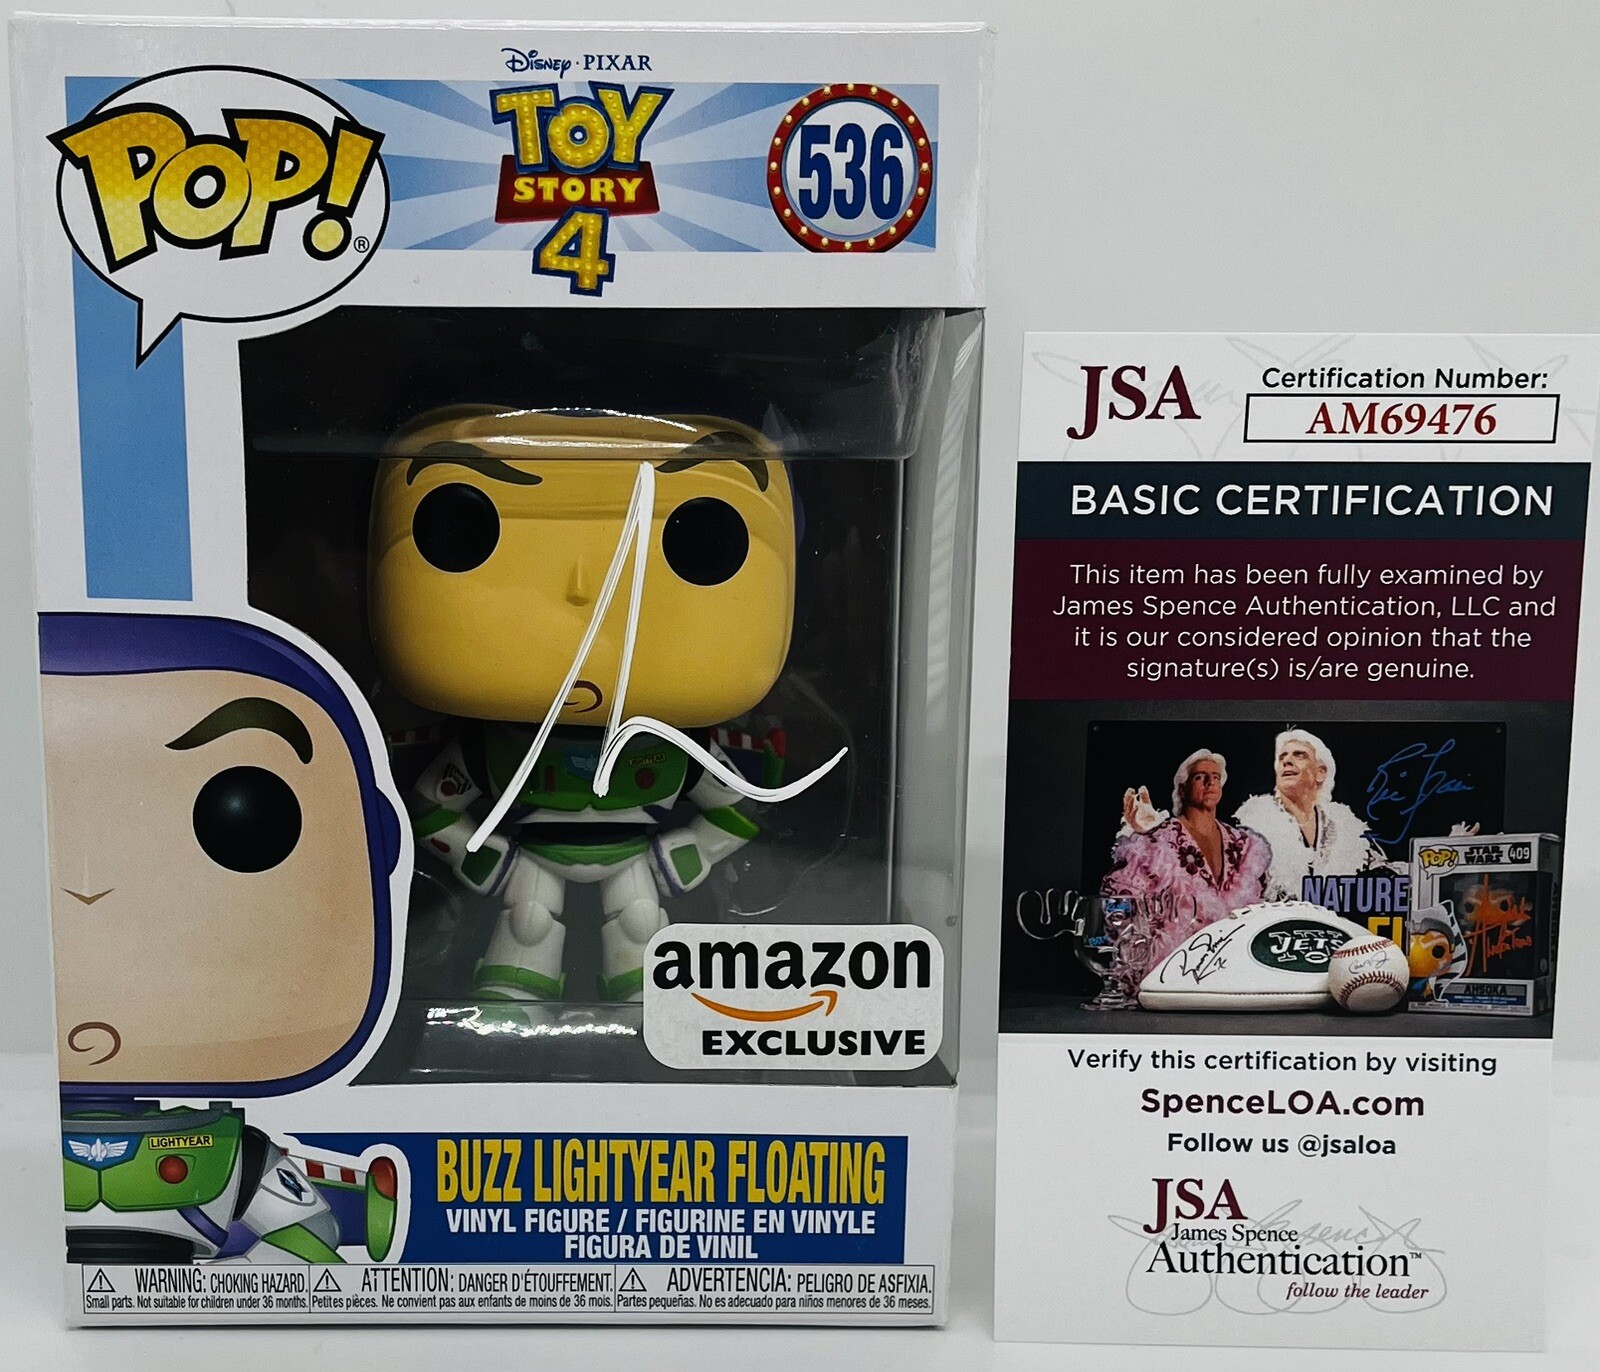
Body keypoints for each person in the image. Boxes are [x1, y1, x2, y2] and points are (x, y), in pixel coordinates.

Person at [1101, 748, 1271, 947]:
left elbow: (1264, 905)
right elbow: (1120, 903)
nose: (1210, 782)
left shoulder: (1244, 845)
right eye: (1200, 777)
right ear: (1182, 789)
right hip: (1175, 957)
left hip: (1233, 955)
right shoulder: (1156, 841)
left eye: (1216, 777)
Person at [1231, 728, 1391, 901]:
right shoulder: (1251, 827)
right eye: (1282, 757)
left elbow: (1386, 877)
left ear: (1321, 772)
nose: (1286, 761)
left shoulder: (1346, 827)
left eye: (1299, 755)